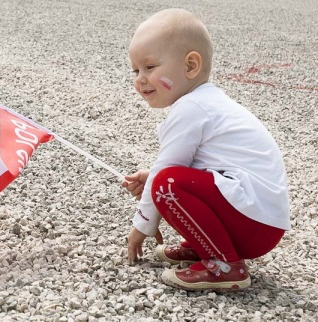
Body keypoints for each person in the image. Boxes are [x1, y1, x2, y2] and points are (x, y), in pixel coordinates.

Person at [122, 8, 290, 290]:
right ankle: (207, 248)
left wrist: (141, 226)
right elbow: (201, 168)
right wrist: (153, 178)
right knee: (164, 182)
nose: (140, 78)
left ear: (190, 66)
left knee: (166, 184)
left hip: (254, 223)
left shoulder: (192, 108)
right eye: (135, 70)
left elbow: (168, 174)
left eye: (150, 67)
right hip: (260, 221)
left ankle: (224, 265)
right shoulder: (207, 103)